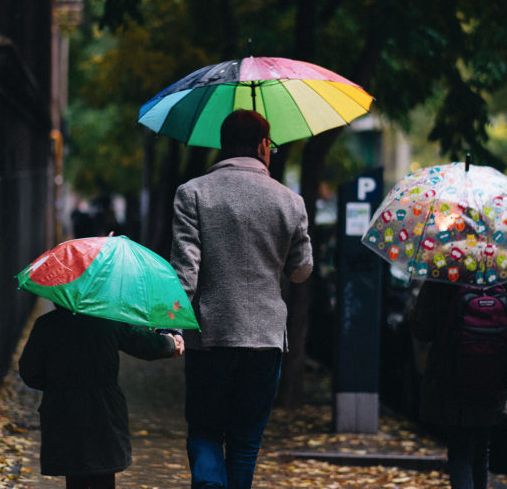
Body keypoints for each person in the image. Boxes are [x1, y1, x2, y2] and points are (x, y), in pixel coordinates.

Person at [170, 109, 313, 489]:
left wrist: (169, 326)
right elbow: (301, 271)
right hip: (265, 339)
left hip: (210, 335)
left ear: (223, 145)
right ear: (265, 146)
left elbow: (186, 270)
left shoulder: (192, 193)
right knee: (246, 443)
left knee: (204, 433)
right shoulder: (290, 201)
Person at [409, 281, 507, 489]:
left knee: (461, 450)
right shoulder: (503, 269)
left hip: (452, 380)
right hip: (492, 379)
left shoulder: (444, 268)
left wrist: (417, 304)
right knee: (480, 446)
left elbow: (422, 330)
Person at [18, 305, 185, 489]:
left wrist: (57, 386)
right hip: (104, 410)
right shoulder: (108, 321)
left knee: (74, 473)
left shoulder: (46, 325)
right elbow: (141, 343)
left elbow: (30, 372)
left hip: (63, 410)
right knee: (104, 472)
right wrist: (169, 344)